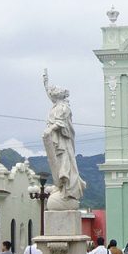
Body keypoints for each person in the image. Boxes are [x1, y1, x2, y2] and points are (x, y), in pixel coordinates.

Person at [42, 69, 86, 209]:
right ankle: (60, 186)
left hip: (63, 141)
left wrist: (51, 128)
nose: (51, 95)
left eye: (53, 93)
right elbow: (49, 93)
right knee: (57, 162)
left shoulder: (63, 107)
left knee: (65, 163)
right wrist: (46, 83)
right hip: (55, 140)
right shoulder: (56, 105)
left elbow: (61, 122)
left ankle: (67, 188)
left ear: (58, 96)